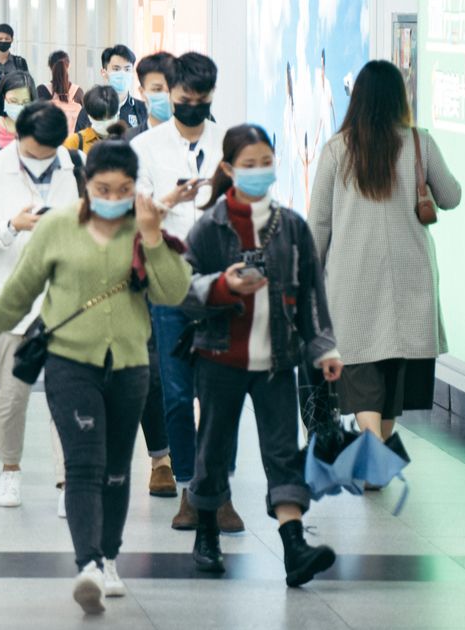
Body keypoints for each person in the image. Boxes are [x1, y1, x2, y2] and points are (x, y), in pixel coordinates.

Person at [0, 141, 191, 615]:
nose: (113, 196)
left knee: (115, 468)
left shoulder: (144, 228)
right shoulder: (59, 227)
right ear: (86, 184)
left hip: (130, 365)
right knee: (85, 464)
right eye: (103, 188)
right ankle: (88, 564)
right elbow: (21, 288)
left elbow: (173, 293)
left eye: (123, 189)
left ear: (136, 189)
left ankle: (110, 557)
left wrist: (152, 237)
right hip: (70, 362)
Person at [181, 124, 342, 586]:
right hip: (218, 358)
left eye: (266, 163)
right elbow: (181, 289)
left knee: (281, 452)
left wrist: (323, 347)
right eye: (248, 165)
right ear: (230, 170)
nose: (259, 172)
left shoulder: (291, 225)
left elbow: (312, 293)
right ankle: (207, 532)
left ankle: (294, 546)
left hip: (277, 361)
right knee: (213, 451)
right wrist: (222, 285)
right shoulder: (210, 227)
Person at [309, 60, 460, 449]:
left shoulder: (336, 150)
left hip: (351, 278)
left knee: (360, 371)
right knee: (394, 373)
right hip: (409, 278)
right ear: (399, 98)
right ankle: (375, 448)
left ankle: (372, 446)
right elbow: (452, 196)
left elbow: (318, 225)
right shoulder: (418, 142)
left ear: (357, 99)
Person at [129, 51, 236, 529]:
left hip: (220, 283)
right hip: (168, 278)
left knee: (221, 394)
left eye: (200, 99)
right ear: (169, 94)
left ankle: (220, 489)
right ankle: (191, 489)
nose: (191, 105)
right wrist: (172, 197)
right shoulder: (147, 145)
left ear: (211, 97)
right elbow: (137, 211)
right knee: (175, 390)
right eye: (183, 98)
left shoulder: (229, 142)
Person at [0, 102, 84, 510]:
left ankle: (69, 483)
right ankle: (9, 471)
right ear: (18, 135)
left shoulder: (75, 166)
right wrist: (12, 227)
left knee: (67, 397)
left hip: (68, 301)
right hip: (14, 300)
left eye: (51, 151)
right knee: (11, 396)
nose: (44, 158)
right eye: (35, 151)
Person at [76, 45, 148, 134]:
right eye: (116, 69)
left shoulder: (143, 109)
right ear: (104, 72)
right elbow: (79, 142)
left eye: (127, 69)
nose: (122, 73)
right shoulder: (90, 109)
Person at [121, 52, 175, 142]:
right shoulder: (128, 141)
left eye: (172, 88)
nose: (167, 95)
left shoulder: (192, 137)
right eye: (157, 89)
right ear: (142, 93)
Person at [37, 51, 85, 133]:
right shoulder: (78, 91)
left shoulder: (42, 90)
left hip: (49, 143)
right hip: (72, 144)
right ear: (69, 65)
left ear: (49, 66)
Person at [64, 86, 121, 155]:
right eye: (100, 119)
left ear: (118, 113)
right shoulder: (73, 142)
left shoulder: (129, 140)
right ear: (89, 116)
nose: (106, 122)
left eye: (110, 117)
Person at [0, 70, 35, 147]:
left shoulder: (37, 130)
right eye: (13, 101)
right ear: (3, 98)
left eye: (25, 102)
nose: (19, 106)